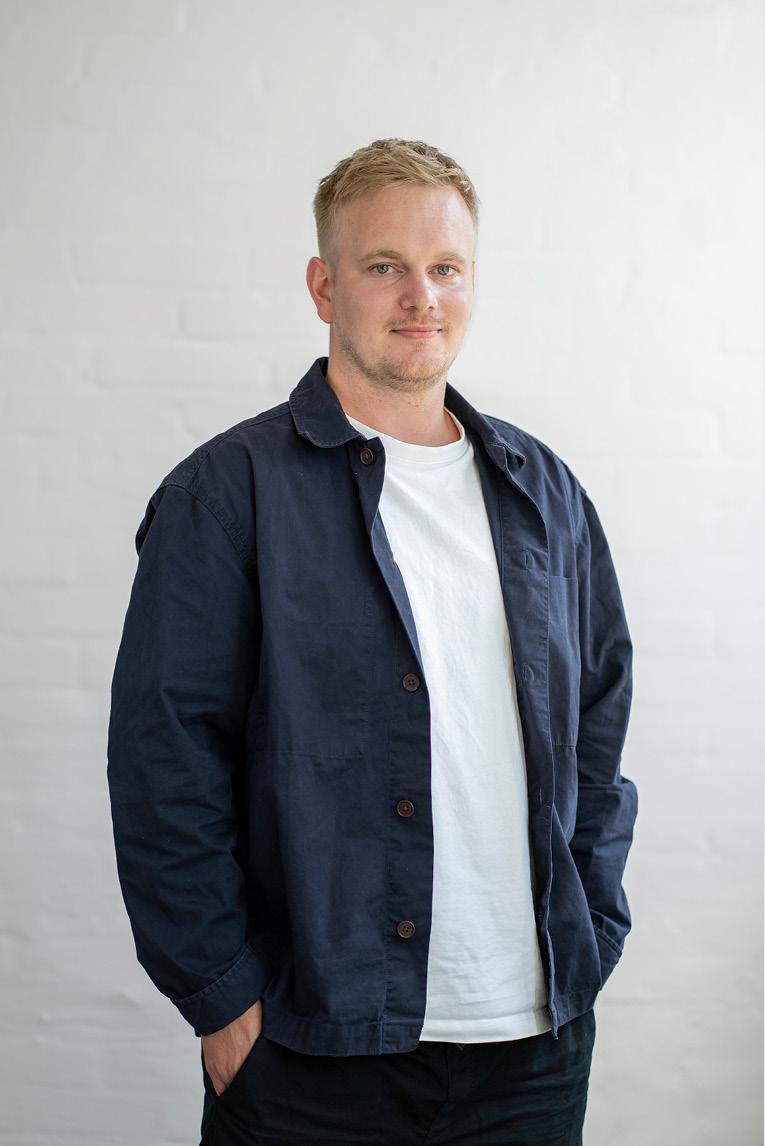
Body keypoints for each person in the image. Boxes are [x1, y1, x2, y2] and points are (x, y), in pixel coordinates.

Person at [108, 138, 637, 1146]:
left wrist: (595, 926)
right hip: (309, 1050)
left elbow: (597, 732)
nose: (420, 297)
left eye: (446, 268)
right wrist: (222, 999)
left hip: (532, 1049)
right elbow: (163, 759)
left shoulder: (545, 493)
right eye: (384, 265)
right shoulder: (227, 494)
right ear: (324, 286)